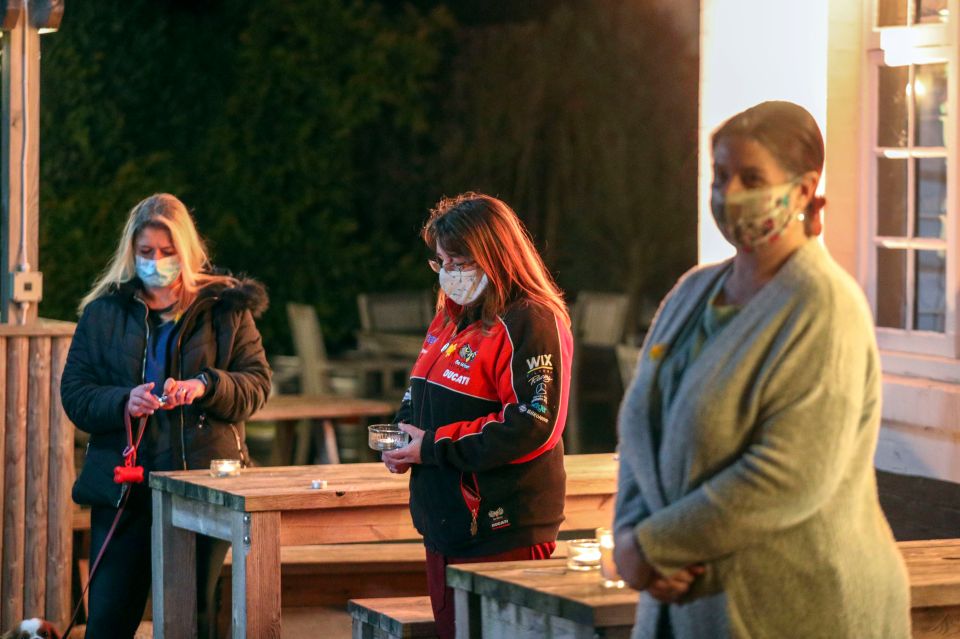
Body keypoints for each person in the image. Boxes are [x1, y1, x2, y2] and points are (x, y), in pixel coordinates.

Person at [613, 101, 911, 638]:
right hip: (683, 606)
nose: (729, 194)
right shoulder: (692, 293)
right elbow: (639, 427)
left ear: (802, 189)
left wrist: (658, 546)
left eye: (752, 178)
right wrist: (632, 537)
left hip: (796, 608)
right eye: (720, 175)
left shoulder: (824, 307)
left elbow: (788, 476)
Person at [61, 193, 271, 639]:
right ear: (131, 252)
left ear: (187, 252)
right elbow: (75, 395)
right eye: (146, 252)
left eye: (167, 252)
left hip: (201, 486)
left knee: (191, 620)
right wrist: (124, 401)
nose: (156, 261)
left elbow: (256, 385)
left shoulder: (226, 309)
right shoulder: (104, 312)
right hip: (125, 488)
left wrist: (206, 385)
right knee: (108, 618)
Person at [381, 192, 574, 639]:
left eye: (459, 262)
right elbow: (416, 393)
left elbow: (533, 425)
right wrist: (401, 439)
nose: (448, 274)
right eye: (441, 262)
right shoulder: (451, 317)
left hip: (502, 528)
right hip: (446, 524)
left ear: (494, 256)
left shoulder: (531, 319)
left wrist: (429, 446)